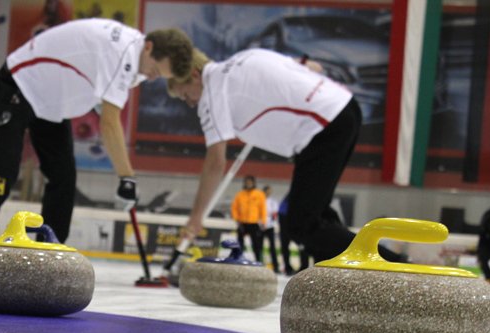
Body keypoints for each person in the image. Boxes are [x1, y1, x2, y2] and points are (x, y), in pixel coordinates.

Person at [0, 19, 193, 245]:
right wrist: (127, 178)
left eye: (158, 76)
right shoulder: (123, 54)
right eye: (154, 70)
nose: (151, 78)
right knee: (3, 172)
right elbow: (110, 123)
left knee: (63, 177)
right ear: (149, 46)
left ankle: (50, 253)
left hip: (50, 102)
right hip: (20, 83)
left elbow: (102, 101)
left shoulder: (136, 56)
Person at [168, 47, 405, 263]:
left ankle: (397, 267)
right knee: (316, 215)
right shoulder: (248, 56)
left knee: (302, 224)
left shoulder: (212, 95)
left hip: (322, 128)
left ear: (195, 76)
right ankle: (345, 273)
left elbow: (215, 163)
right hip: (344, 109)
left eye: (185, 95)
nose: (190, 103)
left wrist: (196, 218)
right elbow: (312, 67)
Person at [231, 175, 266, 262]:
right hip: (242, 222)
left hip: (254, 222)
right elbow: (234, 208)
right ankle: (238, 259)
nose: (248, 184)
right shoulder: (240, 194)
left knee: (256, 244)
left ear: (253, 183)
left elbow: (263, 208)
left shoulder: (259, 194)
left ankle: (258, 260)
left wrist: (263, 221)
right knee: (239, 243)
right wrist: (236, 219)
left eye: (250, 182)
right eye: (247, 182)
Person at [262, 184, 281, 272]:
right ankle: (260, 263)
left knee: (272, 247)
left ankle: (275, 266)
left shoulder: (272, 201)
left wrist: (272, 222)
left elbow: (274, 213)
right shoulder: (260, 200)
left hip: (269, 226)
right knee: (259, 246)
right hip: (260, 225)